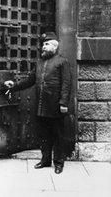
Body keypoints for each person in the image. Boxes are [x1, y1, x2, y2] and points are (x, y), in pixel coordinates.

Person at [4, 32, 72, 174]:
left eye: (46, 44)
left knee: (58, 135)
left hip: (56, 107)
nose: (43, 47)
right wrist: (14, 86)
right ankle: (45, 160)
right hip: (42, 106)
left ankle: (59, 163)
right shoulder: (40, 63)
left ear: (54, 46)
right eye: (43, 44)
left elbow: (66, 84)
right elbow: (30, 80)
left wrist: (63, 103)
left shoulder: (62, 62)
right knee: (44, 135)